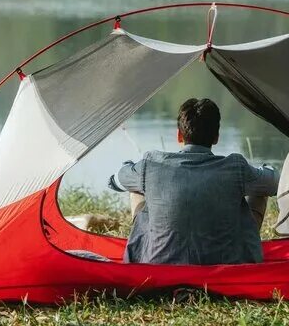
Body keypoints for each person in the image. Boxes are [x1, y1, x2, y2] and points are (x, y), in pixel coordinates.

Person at [107, 98, 278, 265]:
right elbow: (276, 184)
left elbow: (115, 181)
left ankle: (142, 252)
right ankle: (247, 255)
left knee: (136, 187)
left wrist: (131, 166)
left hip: (158, 264)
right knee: (260, 189)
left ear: (179, 135)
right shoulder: (235, 167)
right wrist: (266, 168)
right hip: (227, 264)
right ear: (216, 137)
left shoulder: (151, 164)